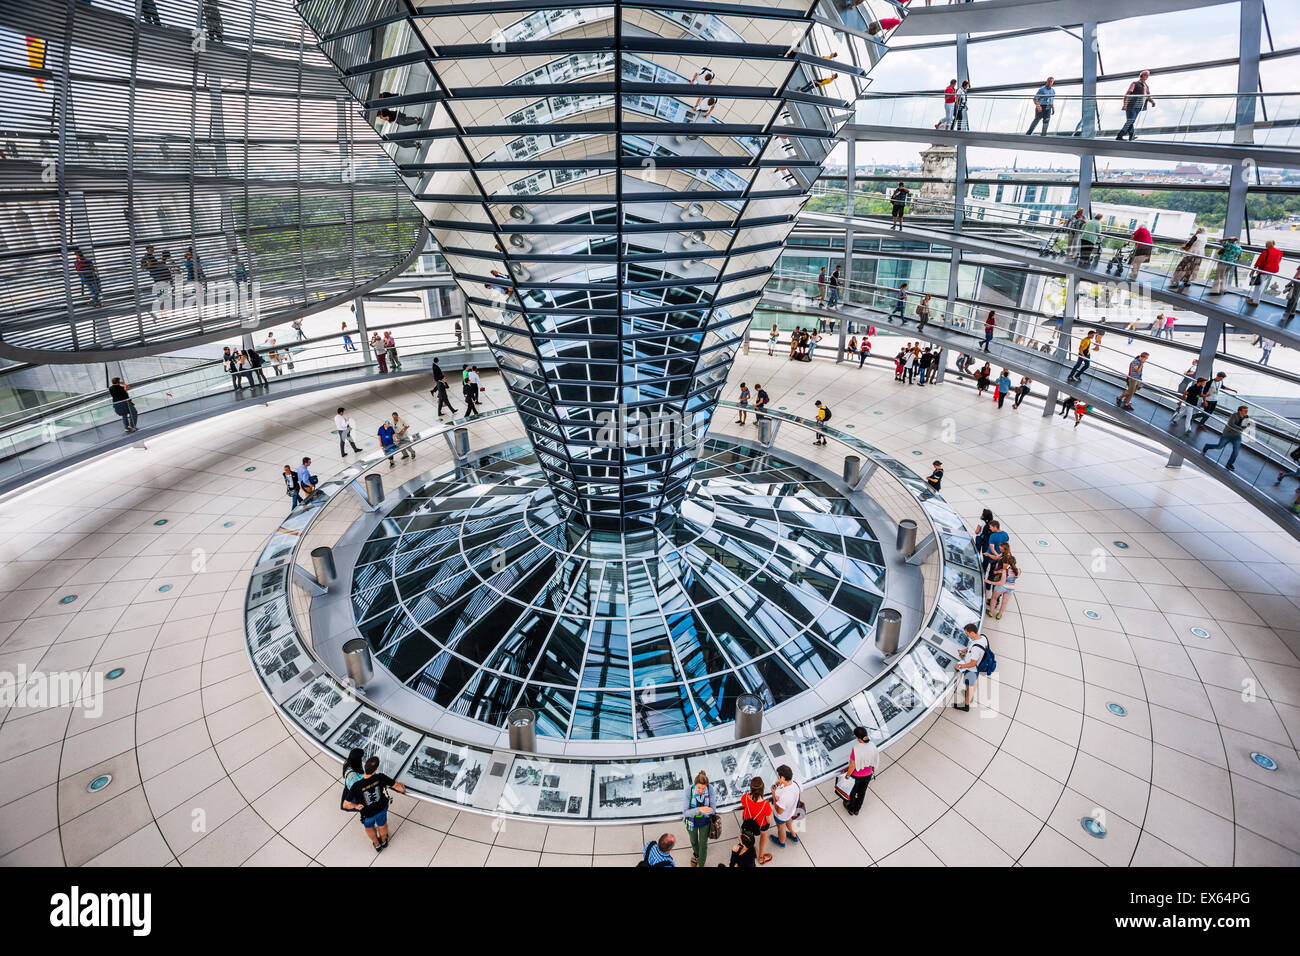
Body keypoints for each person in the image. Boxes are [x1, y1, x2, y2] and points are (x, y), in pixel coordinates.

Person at [341, 755, 407, 852]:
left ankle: (377, 845)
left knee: (369, 827)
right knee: (382, 825)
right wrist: (401, 785)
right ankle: (384, 841)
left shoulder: (356, 786)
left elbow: (345, 805)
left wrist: (355, 806)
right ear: (375, 770)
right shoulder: (380, 777)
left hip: (367, 813)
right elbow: (400, 788)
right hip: (381, 808)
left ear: (364, 768)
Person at [682, 771, 718, 867]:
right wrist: (700, 809)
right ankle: (696, 854)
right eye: (698, 788)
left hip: (704, 821)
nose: (701, 791)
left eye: (703, 788)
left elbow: (713, 810)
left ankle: (701, 863)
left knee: (703, 844)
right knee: (693, 840)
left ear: (707, 786)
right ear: (694, 785)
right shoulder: (689, 791)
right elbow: (685, 813)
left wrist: (702, 811)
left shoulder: (710, 789)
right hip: (691, 821)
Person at [842, 726, 878, 815]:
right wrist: (873, 771)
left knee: (852, 792)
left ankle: (851, 808)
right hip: (868, 774)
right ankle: (857, 809)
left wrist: (847, 775)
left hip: (856, 777)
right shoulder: (872, 745)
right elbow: (875, 759)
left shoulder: (856, 748)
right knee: (862, 793)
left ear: (857, 737)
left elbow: (852, 765)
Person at [954, 623, 989, 712]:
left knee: (969, 686)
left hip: (972, 670)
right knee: (970, 684)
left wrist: (960, 666)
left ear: (972, 633)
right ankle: (969, 694)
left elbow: (972, 663)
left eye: (967, 634)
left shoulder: (976, 649)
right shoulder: (982, 637)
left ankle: (966, 706)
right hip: (975, 669)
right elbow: (972, 646)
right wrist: (965, 650)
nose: (967, 635)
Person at [1201, 406, 1249, 471]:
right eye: (1245, 411)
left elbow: (1244, 427)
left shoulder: (1246, 417)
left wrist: (1243, 427)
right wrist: (1240, 428)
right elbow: (1231, 424)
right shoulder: (1234, 415)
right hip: (1228, 434)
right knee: (1219, 447)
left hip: (1237, 436)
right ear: (1240, 411)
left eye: (1247, 411)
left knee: (1236, 451)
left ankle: (1229, 464)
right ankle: (1207, 446)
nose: (1246, 412)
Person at [740, 776, 774, 864]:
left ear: (751, 788)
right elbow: (769, 820)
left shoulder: (745, 797)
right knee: (763, 835)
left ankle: (752, 849)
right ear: (762, 789)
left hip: (748, 820)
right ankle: (761, 857)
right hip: (761, 825)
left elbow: (743, 803)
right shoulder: (766, 805)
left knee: (750, 835)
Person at [1117, 70, 1155, 141]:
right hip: (1131, 105)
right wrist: (1125, 105)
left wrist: (1152, 102)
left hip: (1139, 106)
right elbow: (1127, 94)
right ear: (1142, 76)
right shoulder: (1135, 83)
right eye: (1146, 75)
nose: (1147, 76)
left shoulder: (1146, 86)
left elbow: (1148, 96)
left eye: (1148, 75)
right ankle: (1120, 135)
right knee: (1130, 121)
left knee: (1131, 121)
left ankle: (1131, 135)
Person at [770, 766, 802, 848]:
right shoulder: (796, 784)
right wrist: (781, 783)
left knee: (781, 828)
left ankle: (781, 842)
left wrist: (773, 794)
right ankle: (794, 836)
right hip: (791, 811)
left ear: (783, 778)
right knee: (789, 821)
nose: (778, 778)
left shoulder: (785, 796)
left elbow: (779, 811)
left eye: (779, 776)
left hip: (781, 816)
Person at [986, 544, 1018, 620]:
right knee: (1004, 602)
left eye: (1001, 549)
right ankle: (999, 615)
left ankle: (991, 612)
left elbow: (1001, 583)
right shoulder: (1018, 571)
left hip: (1002, 586)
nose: (1000, 550)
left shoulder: (1005, 571)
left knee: (994, 598)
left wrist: (990, 581)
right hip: (1011, 588)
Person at [1247, 240, 1283, 306]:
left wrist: (1253, 270)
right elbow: (1278, 261)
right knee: (1261, 285)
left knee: (1258, 286)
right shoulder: (1279, 252)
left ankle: (1255, 301)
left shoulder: (1265, 252)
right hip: (1272, 271)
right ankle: (1253, 298)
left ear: (1267, 245)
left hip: (1264, 271)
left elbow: (1259, 261)